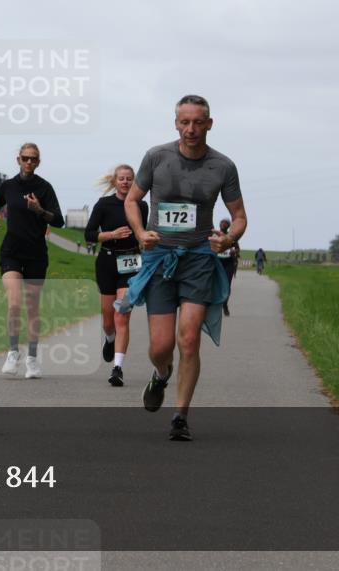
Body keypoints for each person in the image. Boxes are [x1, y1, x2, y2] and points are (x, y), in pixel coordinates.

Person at [120, 94, 247, 441]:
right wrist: (140, 232)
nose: (191, 129)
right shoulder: (156, 157)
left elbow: (239, 217)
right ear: (176, 124)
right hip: (160, 258)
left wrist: (228, 240)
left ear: (209, 124)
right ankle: (161, 374)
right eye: (185, 122)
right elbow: (132, 200)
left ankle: (180, 416)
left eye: (198, 122)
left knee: (189, 339)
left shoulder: (223, 166)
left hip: (199, 259)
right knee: (161, 347)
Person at [0, 143, 64, 379]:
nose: (29, 162)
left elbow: (58, 220)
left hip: (36, 254)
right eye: (25, 158)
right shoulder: (9, 185)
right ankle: (13, 352)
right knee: (14, 303)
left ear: (38, 162)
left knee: (32, 307)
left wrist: (39, 210)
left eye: (33, 159)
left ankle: (31, 358)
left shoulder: (44, 188)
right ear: (18, 160)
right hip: (11, 251)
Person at [85, 165, 148, 387]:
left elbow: (144, 231)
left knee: (122, 316)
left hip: (131, 264)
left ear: (134, 182)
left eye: (129, 179)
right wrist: (112, 234)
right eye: (121, 178)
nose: (125, 182)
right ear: (114, 181)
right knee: (108, 320)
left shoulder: (141, 205)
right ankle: (109, 339)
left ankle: (117, 368)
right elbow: (89, 234)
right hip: (107, 262)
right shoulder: (104, 204)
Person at [216, 218, 241, 316]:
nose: (223, 224)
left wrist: (234, 251)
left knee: (226, 285)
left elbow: (238, 249)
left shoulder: (231, 237)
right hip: (217, 262)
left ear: (229, 226)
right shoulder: (215, 235)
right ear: (219, 224)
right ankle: (216, 305)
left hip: (228, 263)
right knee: (215, 284)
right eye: (222, 222)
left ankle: (225, 304)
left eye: (226, 223)